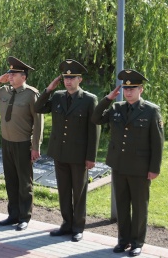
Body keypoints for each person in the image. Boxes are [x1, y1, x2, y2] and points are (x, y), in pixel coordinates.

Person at [92, 69, 163, 257]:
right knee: (122, 205)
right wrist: (108, 98)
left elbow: (157, 143)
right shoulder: (117, 108)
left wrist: (154, 168)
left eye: (132, 89)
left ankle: (138, 242)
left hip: (140, 168)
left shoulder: (151, 111)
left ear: (141, 89)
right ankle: (123, 241)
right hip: (119, 165)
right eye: (125, 88)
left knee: (139, 207)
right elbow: (95, 118)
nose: (128, 92)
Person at [34, 59, 100, 242]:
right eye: (65, 77)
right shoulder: (57, 97)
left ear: (80, 79)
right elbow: (38, 107)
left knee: (79, 192)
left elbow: (94, 130)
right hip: (60, 153)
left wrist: (91, 157)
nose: (68, 81)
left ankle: (78, 226)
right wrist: (49, 90)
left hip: (79, 156)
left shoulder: (89, 100)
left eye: (72, 78)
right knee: (63, 190)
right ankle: (66, 223)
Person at [0, 56, 43, 231]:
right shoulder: (3, 91)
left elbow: (38, 123)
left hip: (23, 144)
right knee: (10, 180)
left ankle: (24, 217)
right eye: (9, 73)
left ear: (23, 77)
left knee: (25, 182)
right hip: (7, 142)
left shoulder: (31, 94)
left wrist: (36, 147)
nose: (10, 76)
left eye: (13, 74)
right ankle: (13, 214)